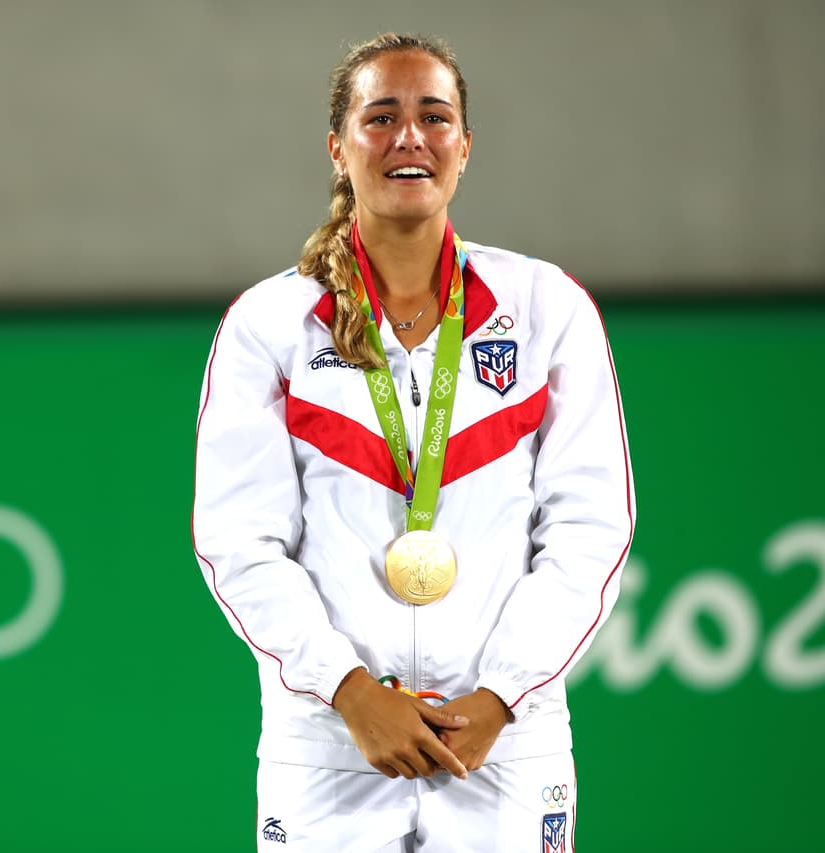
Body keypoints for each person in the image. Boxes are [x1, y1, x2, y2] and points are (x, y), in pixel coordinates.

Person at [192, 33, 635, 852]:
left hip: (505, 749)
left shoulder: (544, 308)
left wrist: (501, 695)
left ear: (465, 147)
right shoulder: (269, 324)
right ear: (337, 147)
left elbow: (589, 532)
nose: (409, 138)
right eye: (381, 117)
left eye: (435, 117)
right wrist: (350, 691)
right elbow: (240, 544)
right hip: (329, 751)